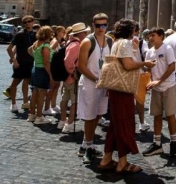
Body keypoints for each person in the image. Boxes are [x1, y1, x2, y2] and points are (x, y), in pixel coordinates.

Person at [97, 19, 150, 174]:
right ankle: (123, 163)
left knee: (115, 124)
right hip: (123, 88)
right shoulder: (125, 43)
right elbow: (127, 65)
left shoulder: (116, 42)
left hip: (115, 88)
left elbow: (122, 61)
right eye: (135, 29)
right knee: (125, 123)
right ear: (130, 30)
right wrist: (145, 63)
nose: (136, 31)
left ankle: (106, 159)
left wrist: (134, 49)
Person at [77, 14, 112, 164]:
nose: (101, 28)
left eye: (104, 25)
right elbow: (81, 66)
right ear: (93, 25)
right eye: (98, 25)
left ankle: (85, 144)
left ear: (107, 25)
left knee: (99, 114)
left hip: (104, 84)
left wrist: (109, 82)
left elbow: (111, 63)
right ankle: (89, 147)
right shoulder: (87, 42)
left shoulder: (110, 40)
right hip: (90, 83)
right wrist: (96, 79)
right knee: (90, 116)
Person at [142, 28, 176, 156]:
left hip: (168, 86)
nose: (150, 38)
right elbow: (148, 69)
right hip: (156, 88)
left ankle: (173, 143)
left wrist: (159, 81)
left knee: (170, 115)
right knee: (156, 115)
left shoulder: (167, 49)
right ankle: (157, 143)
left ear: (161, 36)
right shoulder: (149, 52)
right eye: (149, 36)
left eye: (153, 35)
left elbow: (172, 67)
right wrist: (148, 81)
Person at [59, 22, 91, 132]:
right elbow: (67, 61)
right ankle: (68, 124)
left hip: (68, 77)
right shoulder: (77, 45)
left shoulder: (69, 42)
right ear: (81, 33)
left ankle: (63, 120)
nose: (87, 33)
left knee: (65, 99)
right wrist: (72, 72)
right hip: (73, 77)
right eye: (85, 32)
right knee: (74, 101)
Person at [5, 16, 36, 112]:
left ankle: (25, 102)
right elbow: (9, 48)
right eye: (25, 22)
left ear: (33, 22)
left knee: (26, 82)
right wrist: (14, 60)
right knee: (15, 83)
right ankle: (13, 104)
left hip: (30, 62)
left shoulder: (35, 34)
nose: (27, 23)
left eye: (29, 21)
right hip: (20, 62)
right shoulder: (20, 34)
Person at [26, 26, 54, 125]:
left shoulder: (36, 43)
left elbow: (29, 50)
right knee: (41, 94)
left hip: (35, 69)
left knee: (34, 93)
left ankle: (32, 115)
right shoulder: (45, 46)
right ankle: (39, 117)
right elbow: (46, 62)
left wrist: (36, 57)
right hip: (42, 70)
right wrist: (51, 75)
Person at [43, 26, 66, 117]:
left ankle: (53, 104)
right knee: (52, 87)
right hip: (54, 66)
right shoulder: (55, 41)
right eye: (62, 31)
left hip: (57, 66)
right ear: (58, 32)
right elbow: (50, 50)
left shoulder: (60, 41)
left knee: (56, 86)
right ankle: (47, 107)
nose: (64, 33)